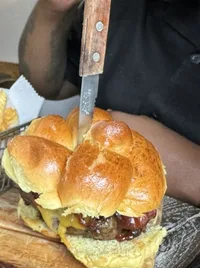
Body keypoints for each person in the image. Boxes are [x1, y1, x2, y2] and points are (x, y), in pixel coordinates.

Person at [18, 0, 200, 207]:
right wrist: (51, 10)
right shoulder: (109, 7)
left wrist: (187, 171)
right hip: (89, 199)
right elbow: (49, 87)